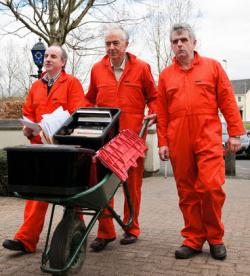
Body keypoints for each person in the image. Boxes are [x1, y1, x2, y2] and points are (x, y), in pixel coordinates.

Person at [157, 23, 245, 260]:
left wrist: (236, 133)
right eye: (175, 41)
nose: (179, 45)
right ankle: (194, 238)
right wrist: (162, 142)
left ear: (194, 43)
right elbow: (162, 112)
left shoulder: (212, 67)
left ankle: (215, 237)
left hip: (207, 135)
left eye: (184, 40)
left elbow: (227, 99)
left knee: (211, 187)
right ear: (172, 46)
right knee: (186, 192)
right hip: (178, 138)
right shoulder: (166, 76)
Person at [2, 45, 88, 253]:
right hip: (38, 148)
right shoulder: (35, 86)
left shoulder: (72, 84)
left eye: (53, 56)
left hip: (63, 149)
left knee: (71, 196)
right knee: (35, 193)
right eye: (47, 56)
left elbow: (77, 113)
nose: (47, 59)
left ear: (63, 62)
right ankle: (26, 239)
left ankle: (77, 231)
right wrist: (27, 128)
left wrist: (59, 132)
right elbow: (28, 113)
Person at [85, 24, 157, 251]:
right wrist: (84, 116)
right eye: (107, 43)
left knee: (132, 186)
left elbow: (153, 97)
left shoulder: (142, 68)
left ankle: (131, 228)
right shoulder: (97, 69)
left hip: (132, 138)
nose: (111, 47)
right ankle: (105, 232)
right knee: (104, 186)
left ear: (126, 45)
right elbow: (89, 99)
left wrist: (154, 112)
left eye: (116, 43)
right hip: (105, 138)